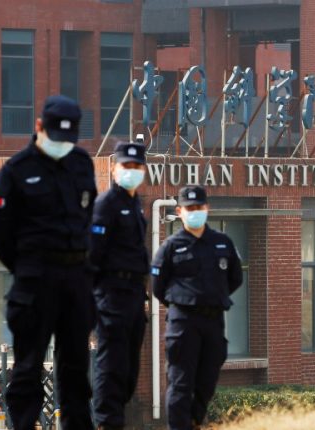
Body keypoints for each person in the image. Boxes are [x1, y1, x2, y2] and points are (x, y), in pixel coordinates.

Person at [0, 95, 97, 430]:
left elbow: (86, 216)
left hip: (76, 277)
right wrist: (27, 266)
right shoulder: (17, 171)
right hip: (35, 279)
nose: (62, 145)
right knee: (28, 368)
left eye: (68, 138)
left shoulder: (81, 162)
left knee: (76, 369)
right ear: (39, 127)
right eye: (55, 136)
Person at [151, 186, 243, 430]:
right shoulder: (170, 246)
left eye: (199, 208)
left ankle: (192, 422)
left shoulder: (223, 243)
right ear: (180, 211)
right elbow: (158, 286)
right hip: (183, 322)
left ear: (207, 208)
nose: (195, 212)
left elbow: (235, 279)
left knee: (207, 380)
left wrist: (213, 297)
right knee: (180, 383)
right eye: (189, 208)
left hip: (213, 320)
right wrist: (182, 304)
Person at [90, 140, 150, 430]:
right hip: (111, 296)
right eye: (126, 165)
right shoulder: (106, 205)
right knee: (111, 365)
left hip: (134, 296)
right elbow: (92, 256)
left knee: (129, 370)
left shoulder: (135, 204)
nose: (132, 171)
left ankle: (115, 418)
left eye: (137, 166)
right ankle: (106, 423)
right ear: (114, 168)